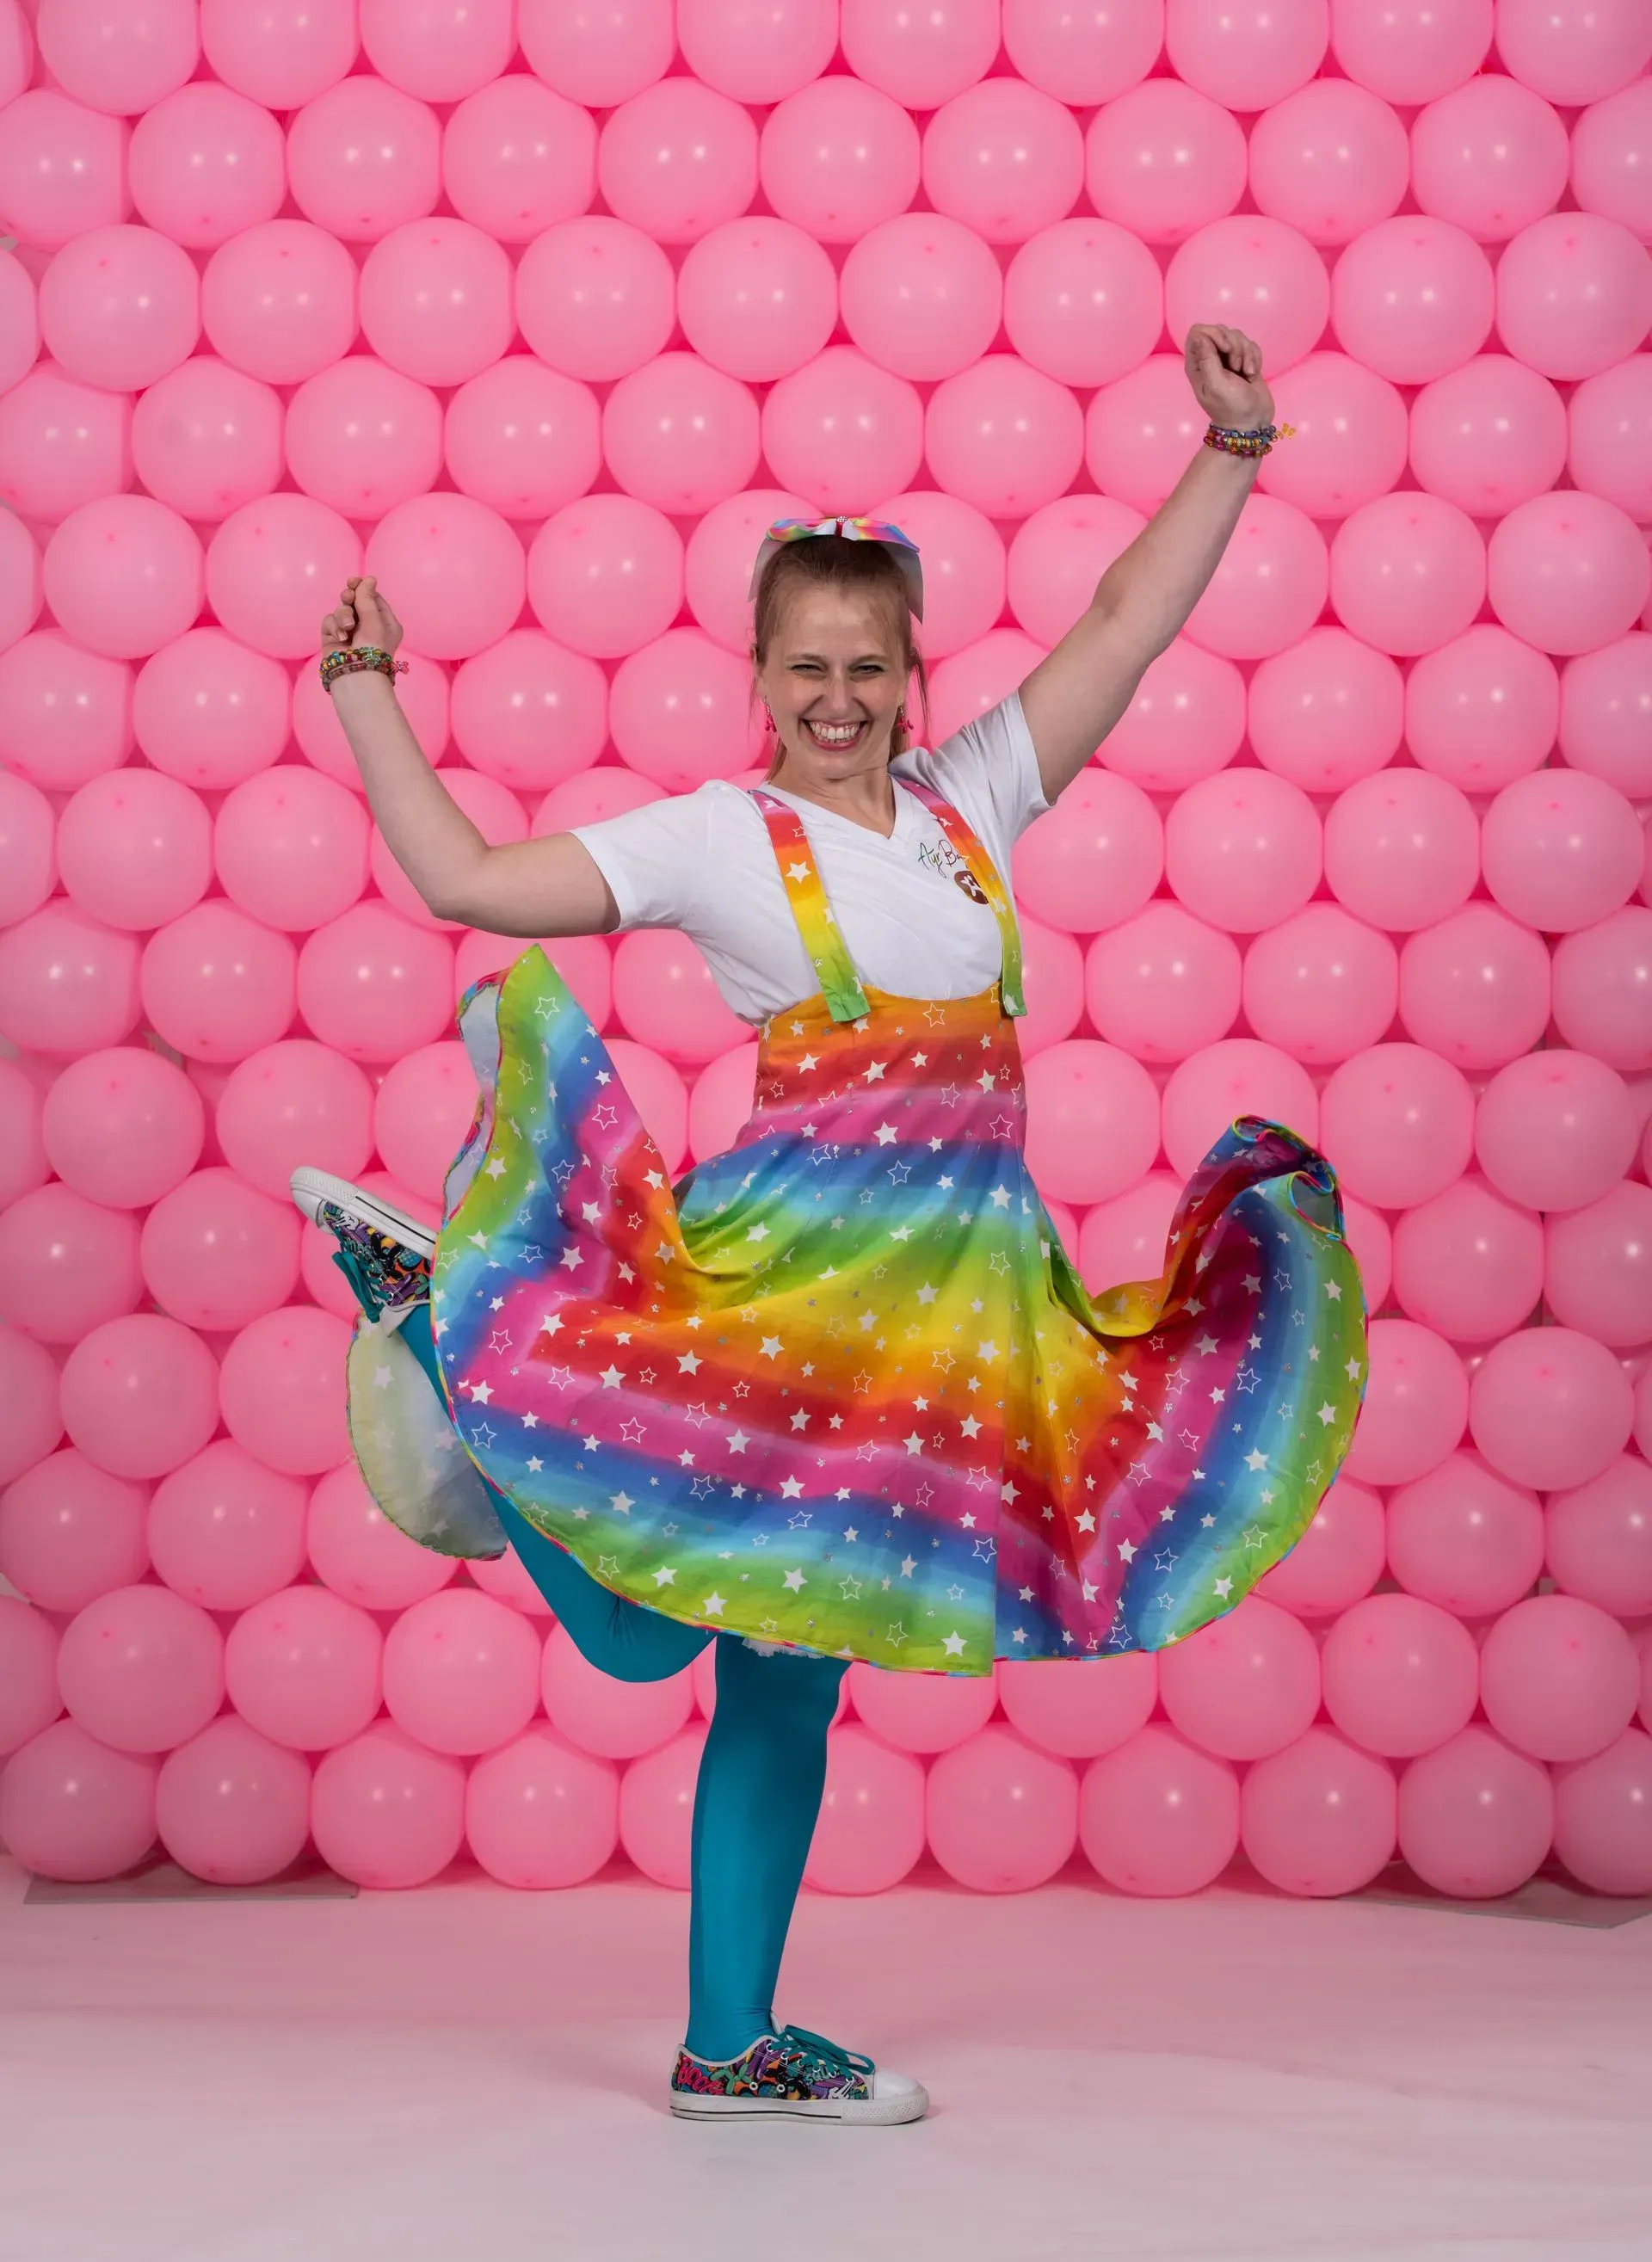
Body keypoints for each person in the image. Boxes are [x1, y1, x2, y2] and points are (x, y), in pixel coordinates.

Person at [294, 325, 1367, 2125]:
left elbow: (1120, 624)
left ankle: (729, 2046)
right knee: (646, 1640)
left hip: (938, 1327)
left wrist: (1237, 446)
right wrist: (365, 691)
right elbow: (471, 882)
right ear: (762, 672)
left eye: (870, 667)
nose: (843, 698)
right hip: (777, 1292)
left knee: (786, 1694)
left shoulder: (974, 805)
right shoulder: (724, 838)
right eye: (809, 668)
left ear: (911, 667)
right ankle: (445, 1335)